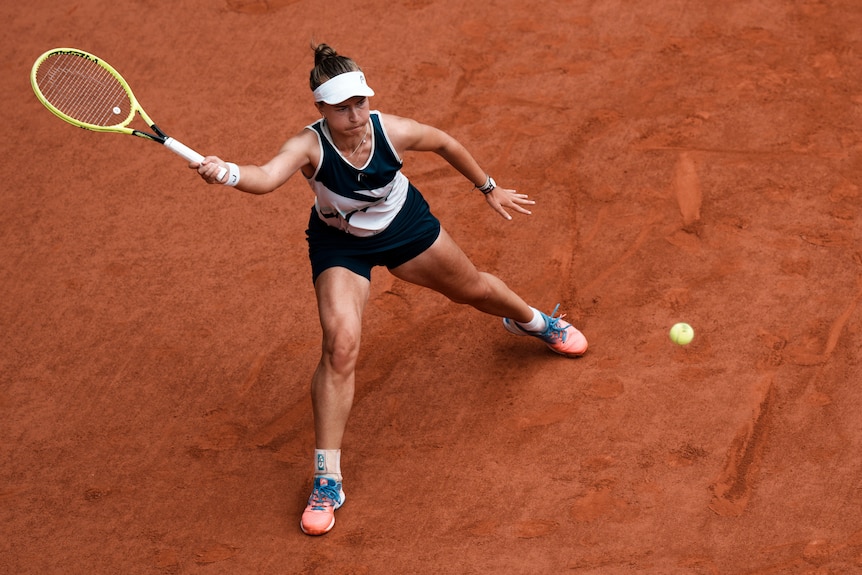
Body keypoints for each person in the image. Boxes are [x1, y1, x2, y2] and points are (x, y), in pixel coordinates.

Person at [192, 43, 588, 536]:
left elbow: (444, 142)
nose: (356, 115)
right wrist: (226, 173)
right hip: (341, 246)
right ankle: (327, 477)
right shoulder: (308, 146)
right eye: (342, 108)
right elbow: (265, 177)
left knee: (475, 291)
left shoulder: (390, 130)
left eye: (360, 102)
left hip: (405, 226)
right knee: (340, 346)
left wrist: (489, 188)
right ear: (321, 109)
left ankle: (531, 320)